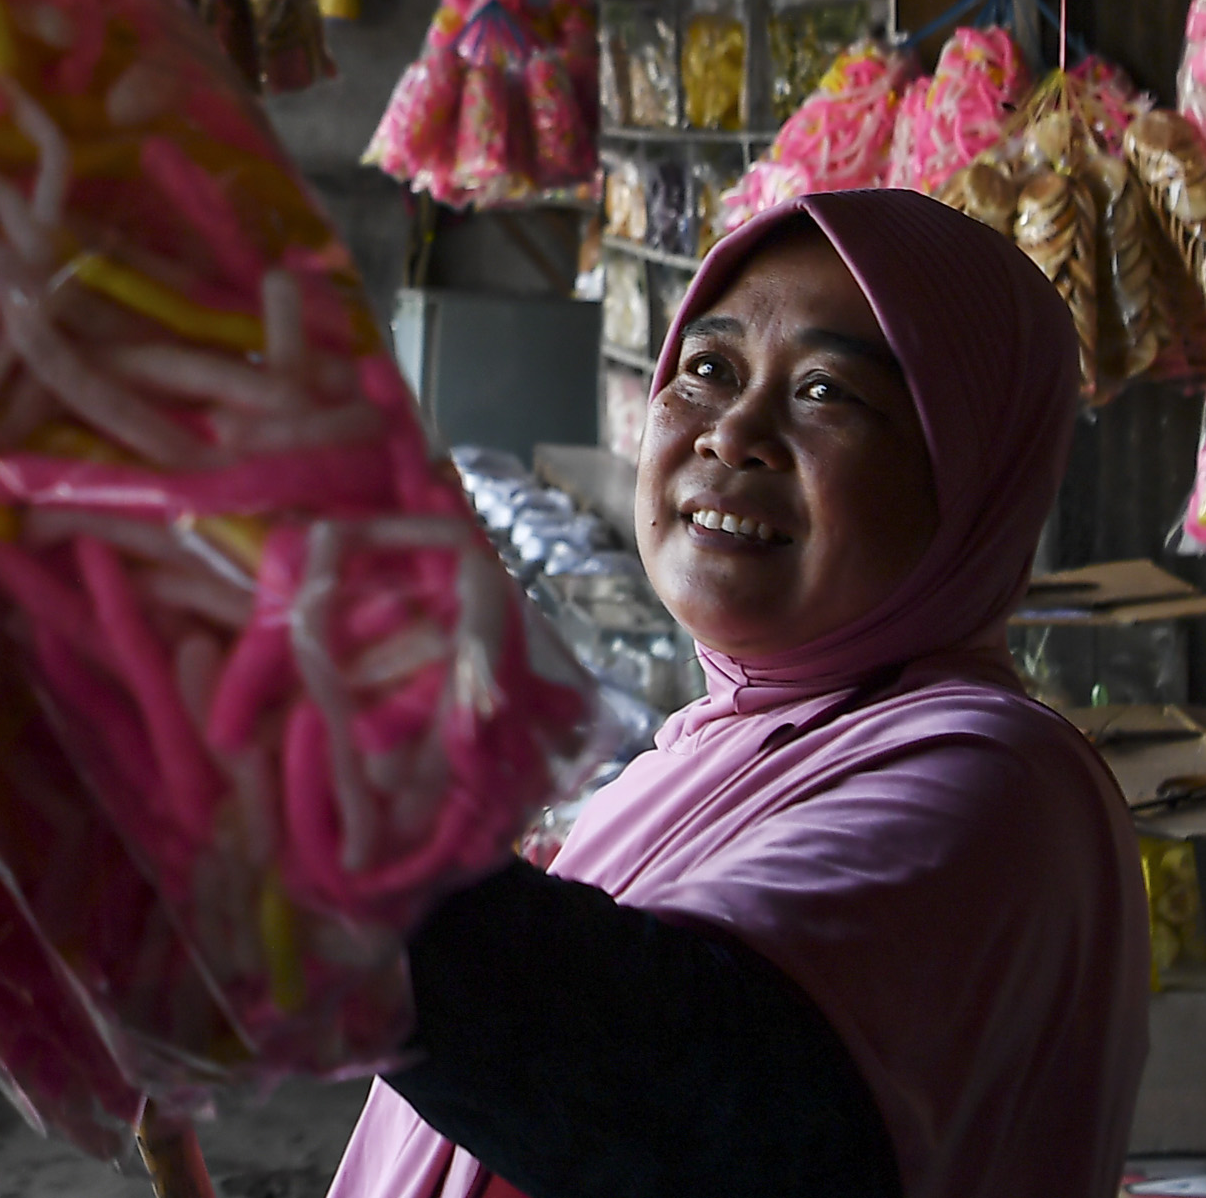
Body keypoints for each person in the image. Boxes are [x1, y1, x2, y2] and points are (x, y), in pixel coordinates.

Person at [328, 188, 1148, 1198]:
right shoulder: (697, 752)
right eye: (707, 369)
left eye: (825, 392)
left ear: (972, 476)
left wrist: (292, 764)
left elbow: (679, 1108)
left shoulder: (997, 784)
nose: (734, 432)